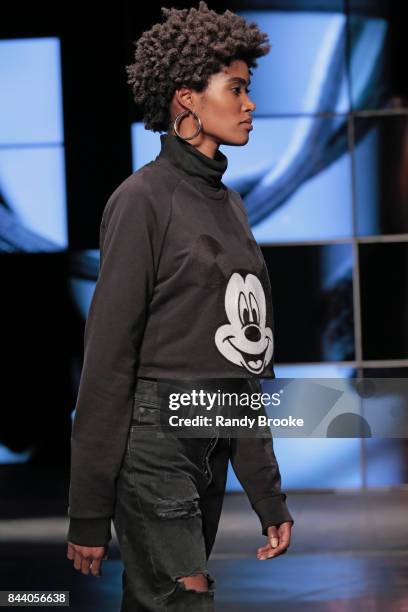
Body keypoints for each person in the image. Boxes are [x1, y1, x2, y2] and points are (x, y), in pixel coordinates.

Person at [66, 2, 294, 609]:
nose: (249, 104)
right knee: (183, 599)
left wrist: (267, 493)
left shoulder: (232, 207)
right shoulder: (141, 199)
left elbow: (240, 363)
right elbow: (109, 353)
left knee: (156, 602)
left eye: (249, 89)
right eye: (236, 89)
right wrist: (89, 508)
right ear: (186, 98)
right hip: (156, 438)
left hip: (211, 436)